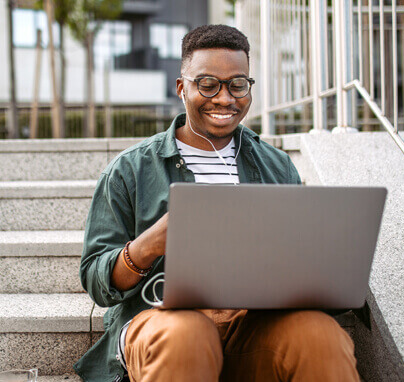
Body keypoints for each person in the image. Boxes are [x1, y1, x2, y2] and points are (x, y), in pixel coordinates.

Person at [73, 24, 359, 382]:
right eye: (208, 84)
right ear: (182, 88)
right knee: (187, 335)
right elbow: (96, 279)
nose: (225, 98)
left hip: (253, 326)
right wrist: (150, 244)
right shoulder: (130, 170)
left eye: (237, 84)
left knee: (320, 335)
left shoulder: (276, 165)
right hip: (164, 321)